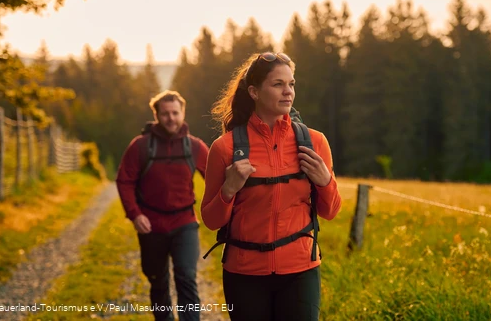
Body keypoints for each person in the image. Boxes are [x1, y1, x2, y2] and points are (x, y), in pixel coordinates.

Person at [200, 52, 343, 321]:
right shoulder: (225, 148)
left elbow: (331, 211)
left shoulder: (315, 142)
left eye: (291, 84)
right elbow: (210, 219)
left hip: (301, 270)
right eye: (278, 84)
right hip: (244, 274)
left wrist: (325, 181)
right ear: (254, 91)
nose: (288, 92)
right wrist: (228, 189)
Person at [116, 90, 209, 321]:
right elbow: (124, 180)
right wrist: (135, 215)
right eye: (165, 114)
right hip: (151, 225)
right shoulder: (140, 146)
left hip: (185, 223)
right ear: (156, 115)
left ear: (183, 113)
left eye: (175, 113)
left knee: (186, 277)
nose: (171, 118)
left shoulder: (195, 147)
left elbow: (216, 180)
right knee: (157, 281)